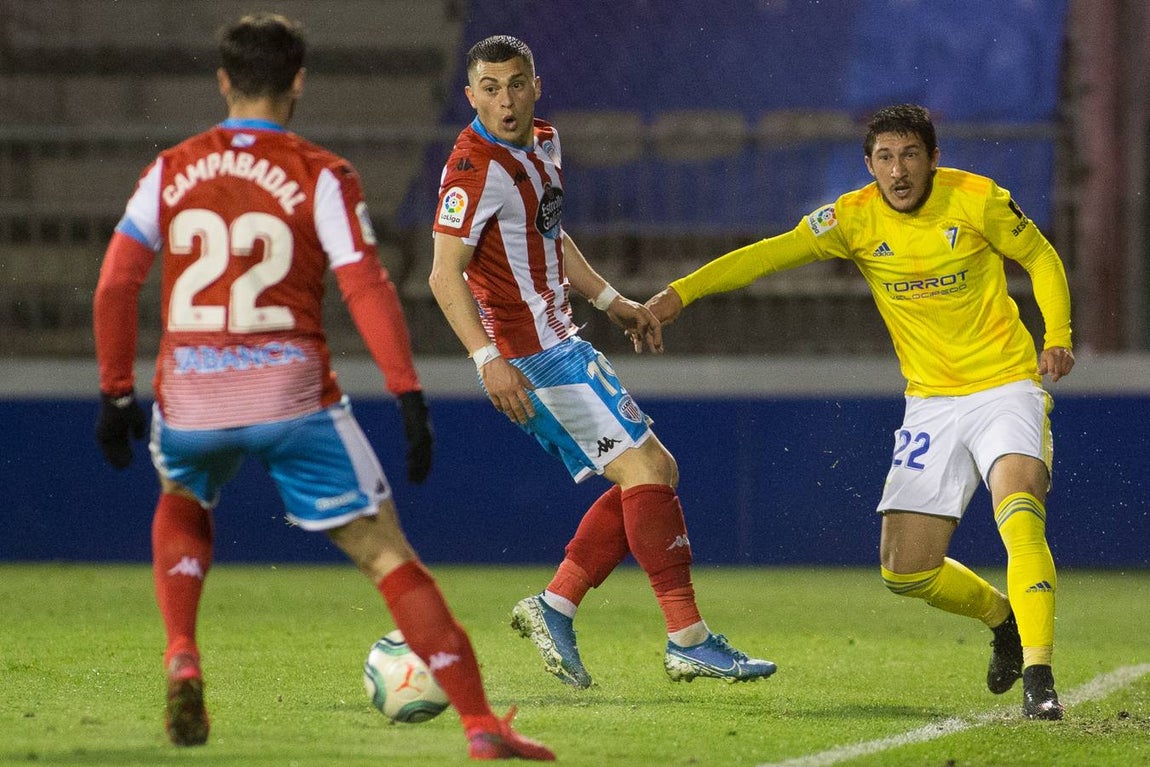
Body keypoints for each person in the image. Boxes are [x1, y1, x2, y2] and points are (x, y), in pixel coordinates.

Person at [92, 13, 553, 760]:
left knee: (183, 493)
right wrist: (407, 392)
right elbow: (365, 285)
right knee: (385, 553)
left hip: (194, 393)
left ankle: (182, 651)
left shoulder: (172, 168)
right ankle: (479, 725)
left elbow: (116, 283)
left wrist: (117, 391)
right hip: (290, 395)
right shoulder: (321, 173)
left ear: (223, 81)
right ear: (298, 82)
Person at [646, 104, 1073, 720]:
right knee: (906, 571)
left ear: (933, 159)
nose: (898, 170)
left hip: (1005, 385)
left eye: (910, 155)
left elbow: (1042, 258)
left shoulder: (977, 200)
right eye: (885, 158)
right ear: (869, 165)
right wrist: (680, 293)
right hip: (930, 403)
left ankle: (1039, 675)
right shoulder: (851, 217)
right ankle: (1002, 619)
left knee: (1020, 515)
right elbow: (767, 255)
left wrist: (1056, 335)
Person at [428, 34, 776, 690]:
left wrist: (613, 300)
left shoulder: (544, 141)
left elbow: (548, 237)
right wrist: (486, 359)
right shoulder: (472, 169)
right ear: (471, 96)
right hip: (531, 355)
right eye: (490, 89)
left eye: (516, 84)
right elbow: (444, 274)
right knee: (646, 470)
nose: (505, 100)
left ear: (536, 86)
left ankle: (556, 605)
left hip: (563, 338)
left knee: (653, 472)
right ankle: (686, 638)